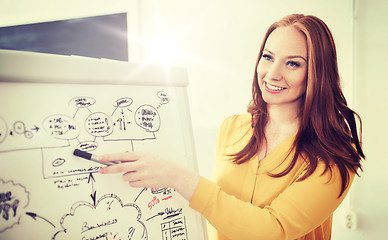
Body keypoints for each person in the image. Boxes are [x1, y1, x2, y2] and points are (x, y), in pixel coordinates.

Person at [98, 14, 365, 240]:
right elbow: (222, 213)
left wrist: (179, 177)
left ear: (318, 73)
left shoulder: (334, 156)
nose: (272, 73)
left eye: (293, 63)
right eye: (268, 57)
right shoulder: (232, 127)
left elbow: (272, 230)